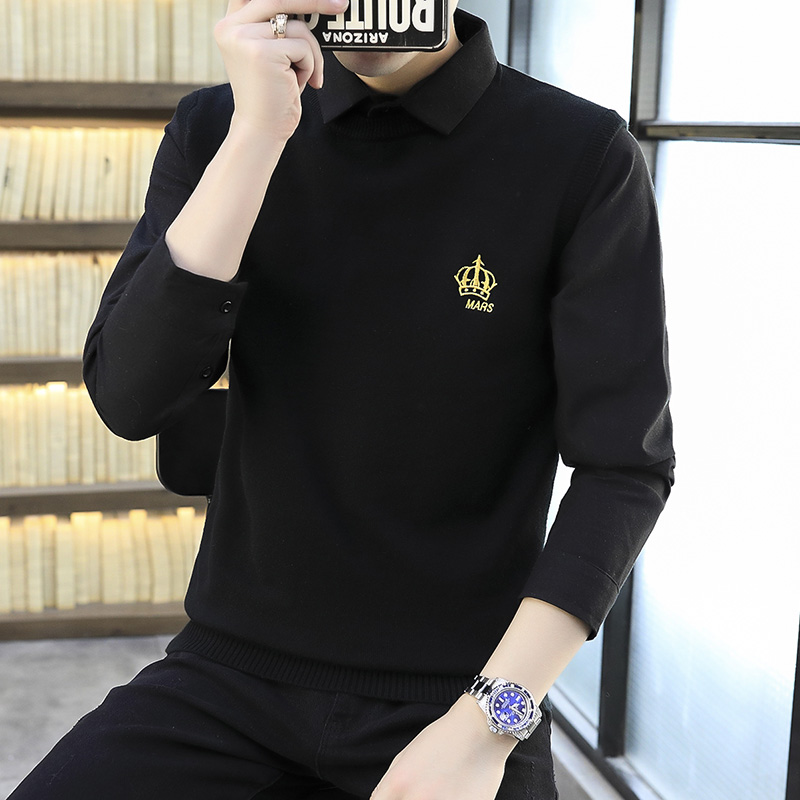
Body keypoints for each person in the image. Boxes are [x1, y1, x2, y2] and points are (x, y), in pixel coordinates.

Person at [10, 0, 674, 798]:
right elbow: (129, 398)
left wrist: (491, 721)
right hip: (229, 673)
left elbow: (624, 468)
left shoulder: (578, 150)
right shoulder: (218, 127)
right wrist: (257, 138)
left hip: (461, 689)